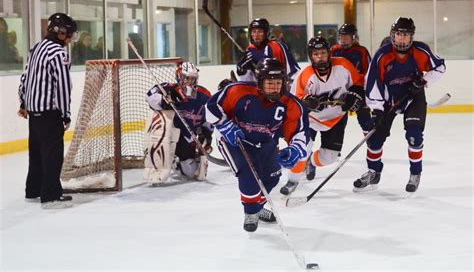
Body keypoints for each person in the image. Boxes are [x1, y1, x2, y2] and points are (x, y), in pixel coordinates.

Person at [206, 58, 310, 232]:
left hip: (264, 142)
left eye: (278, 83)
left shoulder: (290, 104)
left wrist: (294, 150)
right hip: (234, 140)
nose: (274, 87)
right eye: (270, 83)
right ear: (260, 82)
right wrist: (225, 125)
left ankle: (256, 206)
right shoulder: (238, 91)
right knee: (249, 173)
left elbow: (300, 133)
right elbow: (211, 108)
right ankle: (251, 212)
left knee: (273, 176)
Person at [353, 17, 446, 193]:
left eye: (406, 35)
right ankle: (373, 171)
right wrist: (378, 111)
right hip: (389, 102)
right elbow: (372, 85)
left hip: (414, 98)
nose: (402, 39)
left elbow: (440, 67)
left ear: (411, 37)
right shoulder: (382, 55)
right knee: (374, 140)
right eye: (398, 35)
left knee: (414, 135)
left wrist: (422, 81)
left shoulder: (421, 50)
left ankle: (415, 173)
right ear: (392, 35)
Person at [280, 37, 364, 195]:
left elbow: (359, 83)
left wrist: (355, 96)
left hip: (336, 119)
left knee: (329, 158)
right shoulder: (304, 76)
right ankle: (293, 180)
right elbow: (293, 105)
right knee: (303, 149)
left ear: (329, 53)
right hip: (310, 121)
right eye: (316, 54)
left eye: (323, 53)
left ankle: (311, 162)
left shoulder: (343, 65)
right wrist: (306, 104)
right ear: (311, 56)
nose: (320, 57)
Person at [18, 12, 78, 209]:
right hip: (49, 112)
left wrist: (23, 104)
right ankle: (51, 196)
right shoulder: (59, 54)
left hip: (34, 113)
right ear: (61, 33)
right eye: (69, 34)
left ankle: (33, 190)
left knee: (36, 152)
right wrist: (65, 113)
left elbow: (25, 78)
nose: (70, 39)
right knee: (52, 154)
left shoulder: (36, 48)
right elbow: (62, 86)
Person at [145, 61, 213, 183]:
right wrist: (164, 101)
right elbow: (149, 95)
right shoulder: (169, 88)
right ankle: (159, 161)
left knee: (190, 171)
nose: (189, 82)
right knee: (162, 143)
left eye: (192, 79)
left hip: (187, 137)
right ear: (179, 76)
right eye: (186, 78)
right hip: (168, 134)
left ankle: (177, 163)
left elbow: (209, 119)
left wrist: (206, 134)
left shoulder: (204, 95)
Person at [330, 23, 372, 136]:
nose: (343, 39)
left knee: (364, 117)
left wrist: (364, 91)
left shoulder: (361, 51)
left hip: (358, 89)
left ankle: (370, 140)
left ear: (353, 37)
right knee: (337, 120)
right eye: (341, 36)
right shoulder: (334, 50)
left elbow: (368, 72)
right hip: (339, 90)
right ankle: (334, 145)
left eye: (346, 36)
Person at [236, 18, 300, 82]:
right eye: (253, 31)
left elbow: (293, 71)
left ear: (266, 33)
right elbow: (248, 80)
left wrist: (291, 85)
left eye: (260, 31)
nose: (256, 35)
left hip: (278, 86)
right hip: (259, 89)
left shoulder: (277, 47)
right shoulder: (250, 50)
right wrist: (242, 71)